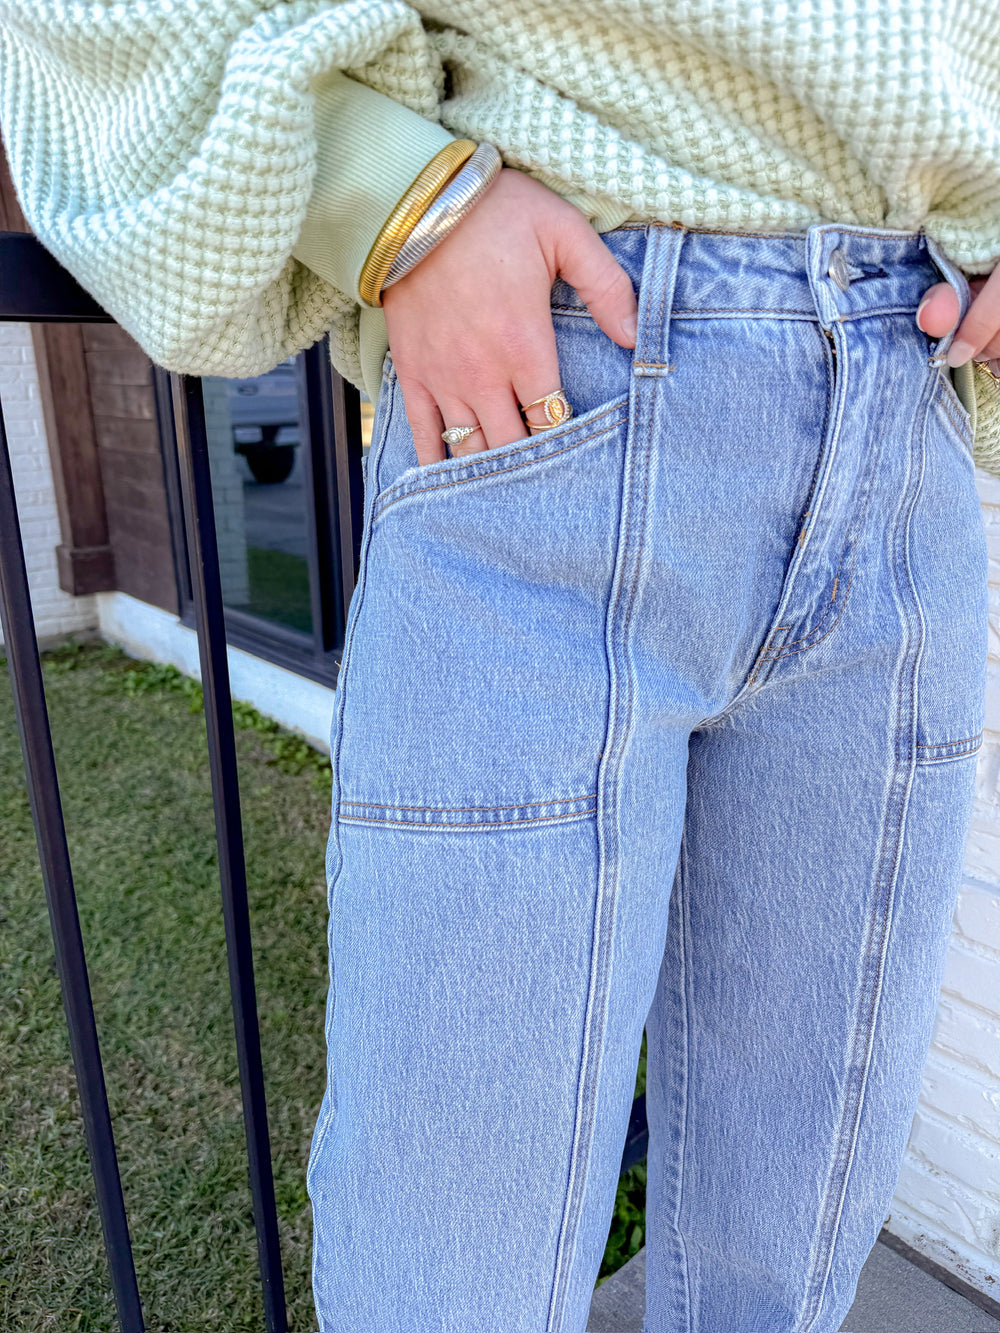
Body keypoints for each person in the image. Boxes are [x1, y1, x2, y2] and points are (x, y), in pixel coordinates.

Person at [2, 4, 998, 1330]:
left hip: (906, 407)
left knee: (796, 1236)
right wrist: (382, 193)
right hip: (551, 387)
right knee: (455, 1268)